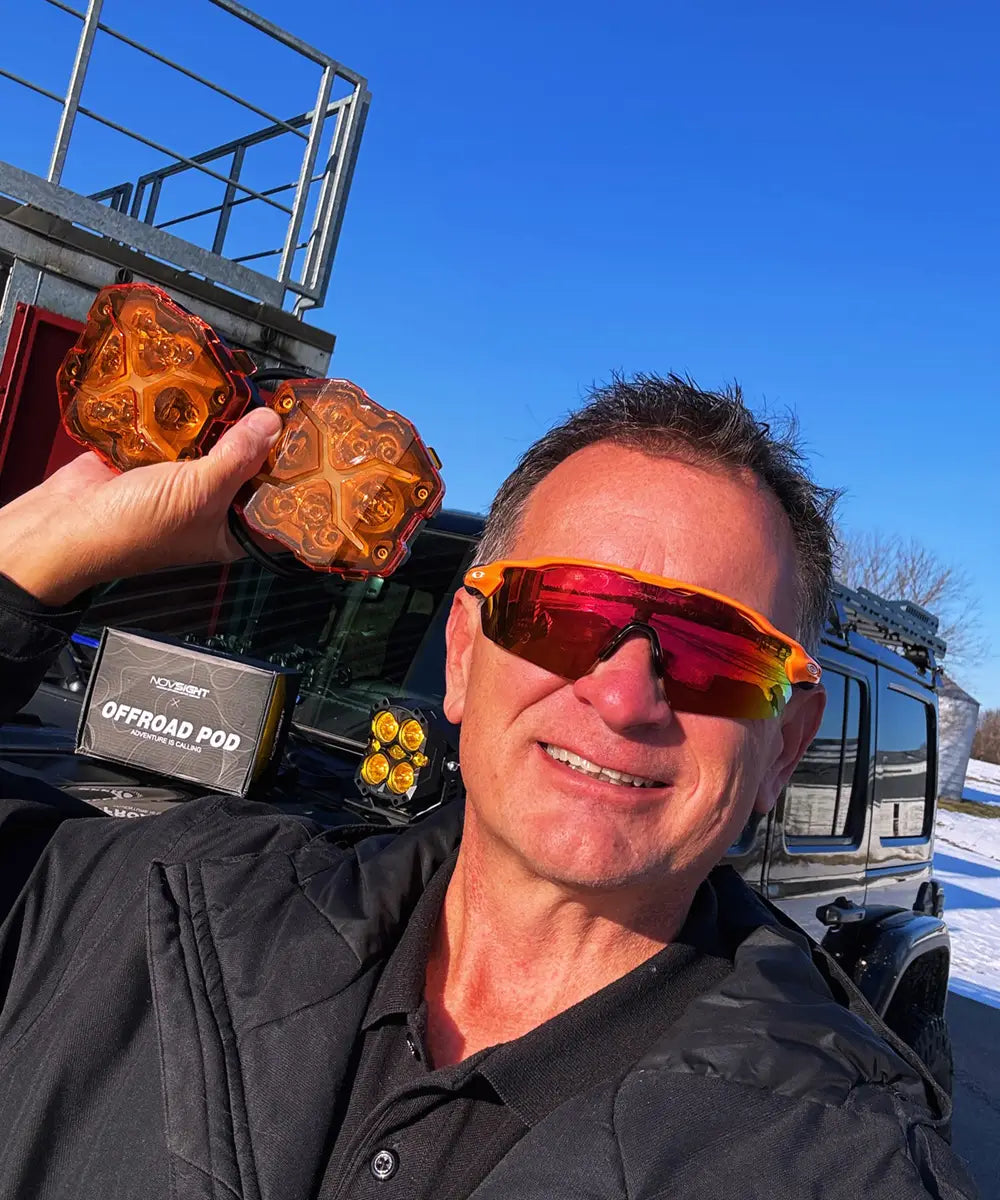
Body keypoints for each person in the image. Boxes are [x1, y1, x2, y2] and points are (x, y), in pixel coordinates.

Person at [0, 375, 977, 1200]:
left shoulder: (846, 1168)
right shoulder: (144, 915)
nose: (624, 694)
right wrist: (35, 549)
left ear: (782, 746)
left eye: (717, 652)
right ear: (462, 654)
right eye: (561, 611)